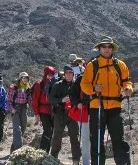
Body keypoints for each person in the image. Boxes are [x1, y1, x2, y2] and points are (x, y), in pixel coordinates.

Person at [81, 36, 133, 165]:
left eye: (109, 46)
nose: (107, 49)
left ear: (112, 49)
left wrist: (128, 88)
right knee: (97, 141)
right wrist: (94, 88)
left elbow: (126, 81)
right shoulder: (92, 65)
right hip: (97, 107)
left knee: (118, 140)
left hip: (115, 107)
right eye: (104, 46)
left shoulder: (120, 65)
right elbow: (84, 85)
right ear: (99, 48)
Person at [49, 66, 81, 164]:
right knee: (57, 136)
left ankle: (76, 160)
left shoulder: (77, 85)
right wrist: (61, 100)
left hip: (73, 113)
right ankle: (53, 158)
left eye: (70, 73)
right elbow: (51, 99)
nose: (68, 74)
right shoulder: (57, 85)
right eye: (67, 73)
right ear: (64, 74)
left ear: (73, 74)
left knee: (74, 137)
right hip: (60, 113)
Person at [69, 65, 91, 165]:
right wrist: (77, 103)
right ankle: (86, 162)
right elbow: (72, 93)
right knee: (86, 138)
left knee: (94, 138)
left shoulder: (100, 77)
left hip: (97, 111)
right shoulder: (80, 79)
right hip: (84, 111)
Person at [31, 66, 56, 153]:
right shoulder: (39, 85)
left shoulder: (54, 85)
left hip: (52, 111)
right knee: (47, 130)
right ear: (45, 74)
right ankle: (42, 151)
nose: (50, 77)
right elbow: (35, 100)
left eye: (52, 75)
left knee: (51, 131)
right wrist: (36, 113)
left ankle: (46, 151)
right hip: (43, 111)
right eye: (49, 75)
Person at [6, 72, 32, 153]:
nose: (25, 79)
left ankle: (13, 148)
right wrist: (12, 109)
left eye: (26, 78)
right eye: (23, 78)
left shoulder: (28, 88)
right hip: (15, 109)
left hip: (24, 109)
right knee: (17, 130)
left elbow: (30, 100)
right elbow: (8, 101)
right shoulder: (13, 87)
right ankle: (18, 150)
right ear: (20, 79)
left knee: (23, 128)